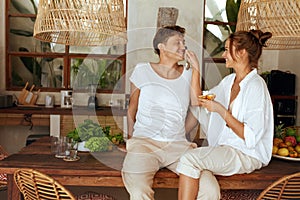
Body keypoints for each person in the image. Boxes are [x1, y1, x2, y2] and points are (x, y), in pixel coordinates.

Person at [176, 30, 274, 200]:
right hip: (224, 149)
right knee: (206, 182)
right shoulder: (228, 82)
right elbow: (196, 101)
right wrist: (196, 69)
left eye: (228, 49)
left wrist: (220, 110)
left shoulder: (256, 87)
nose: (224, 54)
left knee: (188, 159)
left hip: (246, 154)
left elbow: (250, 137)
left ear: (241, 52)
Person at [121, 25, 197, 200]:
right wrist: (132, 140)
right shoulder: (142, 70)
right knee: (139, 190)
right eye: (177, 42)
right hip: (145, 143)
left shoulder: (189, 74)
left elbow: (196, 109)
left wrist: (180, 131)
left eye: (183, 42)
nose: (183, 46)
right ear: (161, 47)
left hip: (178, 146)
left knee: (208, 187)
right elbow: (132, 108)